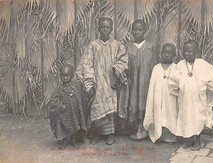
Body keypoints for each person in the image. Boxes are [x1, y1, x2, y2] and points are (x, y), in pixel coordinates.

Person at [76, 17, 128, 145]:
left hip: (111, 82)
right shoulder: (93, 45)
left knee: (110, 107)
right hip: (97, 82)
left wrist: (116, 76)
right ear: (98, 28)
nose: (105, 30)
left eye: (107, 27)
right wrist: (89, 82)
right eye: (102, 27)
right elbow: (86, 64)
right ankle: (96, 134)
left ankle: (110, 134)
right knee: (96, 107)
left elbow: (123, 60)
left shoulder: (117, 45)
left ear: (111, 29)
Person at [169, 40, 213, 150]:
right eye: (185, 51)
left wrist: (208, 93)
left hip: (198, 99)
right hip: (185, 99)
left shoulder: (203, 65)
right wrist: (180, 90)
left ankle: (198, 141)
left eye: (190, 51)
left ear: (196, 52)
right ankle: (189, 140)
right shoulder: (180, 65)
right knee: (186, 118)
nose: (187, 54)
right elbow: (173, 82)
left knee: (198, 118)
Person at [127, 19, 158, 140]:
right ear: (131, 31)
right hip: (133, 81)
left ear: (145, 31)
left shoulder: (150, 46)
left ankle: (142, 128)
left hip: (146, 82)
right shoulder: (128, 47)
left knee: (144, 102)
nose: (137, 32)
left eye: (140, 30)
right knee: (133, 102)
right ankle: (136, 127)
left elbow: (154, 64)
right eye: (134, 29)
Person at [143, 43, 178, 143]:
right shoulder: (156, 68)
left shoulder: (176, 68)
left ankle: (170, 135)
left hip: (171, 98)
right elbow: (152, 86)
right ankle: (159, 134)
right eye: (164, 53)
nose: (167, 55)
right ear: (161, 54)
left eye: (169, 53)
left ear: (174, 55)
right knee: (158, 113)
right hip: (158, 97)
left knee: (170, 114)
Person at [48, 64, 87, 149]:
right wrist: (60, 106)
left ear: (72, 76)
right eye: (63, 75)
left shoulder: (76, 86)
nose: (65, 77)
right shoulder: (58, 88)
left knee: (75, 124)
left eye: (67, 75)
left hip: (74, 113)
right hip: (63, 114)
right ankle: (63, 141)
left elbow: (81, 98)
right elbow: (53, 101)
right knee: (61, 126)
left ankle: (74, 139)